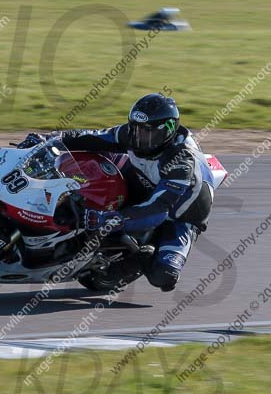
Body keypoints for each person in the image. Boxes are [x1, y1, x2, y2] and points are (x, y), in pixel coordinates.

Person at [17, 93, 215, 292]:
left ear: (167, 132)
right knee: (94, 179)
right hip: (143, 178)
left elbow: (157, 210)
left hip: (181, 213)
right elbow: (91, 137)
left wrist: (102, 220)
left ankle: (141, 256)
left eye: (147, 133)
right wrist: (47, 139)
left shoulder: (180, 163)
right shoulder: (131, 134)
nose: (138, 138)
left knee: (164, 277)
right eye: (135, 129)